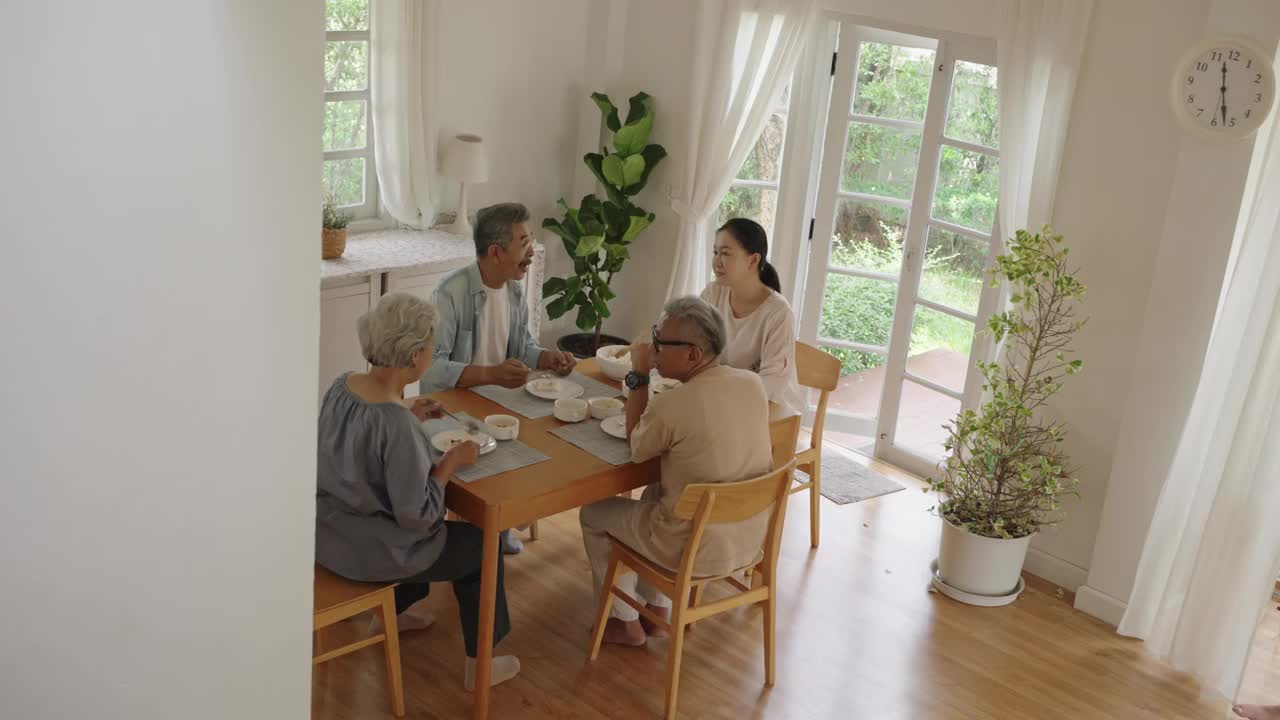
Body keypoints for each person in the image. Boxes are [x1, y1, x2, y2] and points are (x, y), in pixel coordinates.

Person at [315, 292, 520, 691]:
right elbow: (420, 516)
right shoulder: (397, 427)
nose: (432, 354)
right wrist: (451, 463)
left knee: (416, 532)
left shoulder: (342, 388)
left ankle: (391, 613)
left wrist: (407, 409)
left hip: (327, 535)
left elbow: (360, 447)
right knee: (482, 545)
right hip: (370, 552)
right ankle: (481, 665)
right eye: (431, 347)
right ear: (413, 356)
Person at [579, 296, 774, 646]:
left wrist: (638, 373)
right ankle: (657, 609)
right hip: (746, 539)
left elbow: (637, 448)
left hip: (694, 547)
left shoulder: (674, 403)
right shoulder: (753, 384)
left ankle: (622, 622)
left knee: (593, 513)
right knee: (659, 492)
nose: (653, 349)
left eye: (660, 343)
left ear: (693, 355)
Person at [421, 201, 577, 554]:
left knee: (546, 444)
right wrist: (490, 374)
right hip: (453, 409)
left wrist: (546, 357)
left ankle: (500, 522)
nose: (532, 252)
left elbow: (523, 348)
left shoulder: (514, 290)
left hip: (502, 402)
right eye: (523, 242)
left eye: (531, 239)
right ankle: (482, 530)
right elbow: (432, 370)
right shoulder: (450, 294)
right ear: (495, 252)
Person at [699, 217, 805, 419]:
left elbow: (772, 384)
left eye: (726, 253)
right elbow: (693, 347)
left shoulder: (778, 313)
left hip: (770, 408)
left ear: (753, 259)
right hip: (723, 396)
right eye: (715, 252)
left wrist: (719, 388)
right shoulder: (713, 293)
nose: (716, 261)